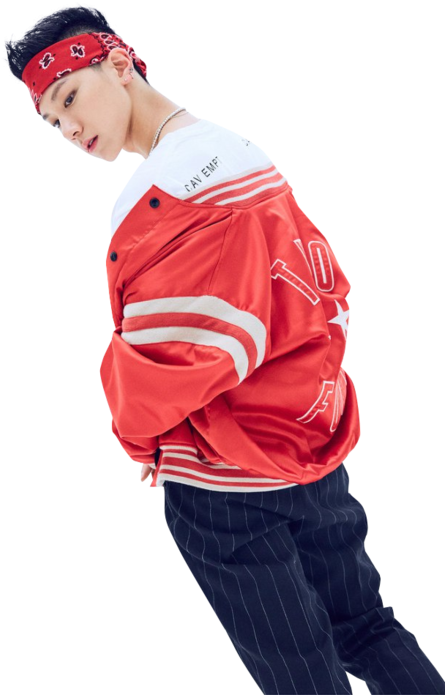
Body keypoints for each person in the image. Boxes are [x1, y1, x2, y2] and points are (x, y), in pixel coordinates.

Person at [4, 5, 444, 694]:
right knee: (366, 626)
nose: (71, 129)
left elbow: (163, 358)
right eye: (53, 122)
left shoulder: (153, 197)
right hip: (310, 445)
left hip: (222, 480)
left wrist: (139, 438)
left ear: (118, 64)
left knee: (299, 675)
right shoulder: (245, 155)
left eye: (69, 97)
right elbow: (321, 292)